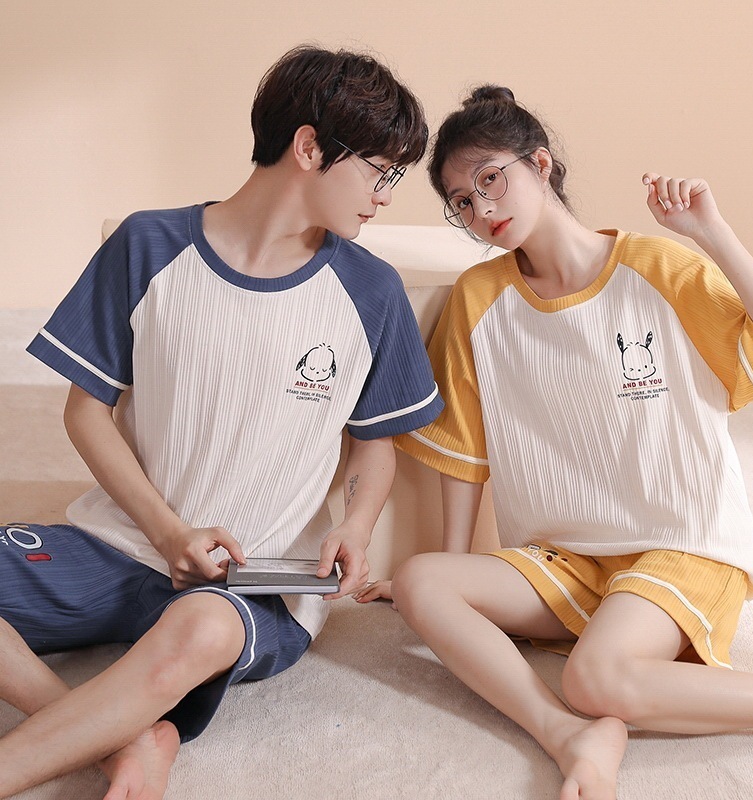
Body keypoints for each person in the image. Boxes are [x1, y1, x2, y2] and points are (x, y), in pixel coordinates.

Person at [0, 45, 442, 800]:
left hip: (255, 585)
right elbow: (86, 413)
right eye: (379, 170)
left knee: (200, 630)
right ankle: (126, 739)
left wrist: (357, 526)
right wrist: (169, 533)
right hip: (120, 542)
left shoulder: (372, 291)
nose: (385, 196)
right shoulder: (147, 245)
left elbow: (375, 443)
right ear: (310, 147)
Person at [355, 85, 753, 799]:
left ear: (541, 163)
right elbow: (465, 454)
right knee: (420, 581)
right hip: (564, 560)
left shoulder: (659, 267)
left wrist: (711, 233)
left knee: (597, 678)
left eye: (490, 180)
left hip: (681, 545)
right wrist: (460, 574)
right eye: (461, 201)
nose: (481, 210)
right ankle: (567, 734)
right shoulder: (479, 298)